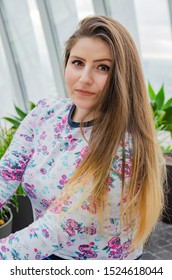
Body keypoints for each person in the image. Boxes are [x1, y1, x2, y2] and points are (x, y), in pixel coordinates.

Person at [0, 15, 165, 260]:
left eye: (103, 67)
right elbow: (7, 173)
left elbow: (55, 230)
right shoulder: (45, 113)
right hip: (40, 253)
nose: (85, 78)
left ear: (122, 77)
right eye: (78, 62)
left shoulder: (124, 148)